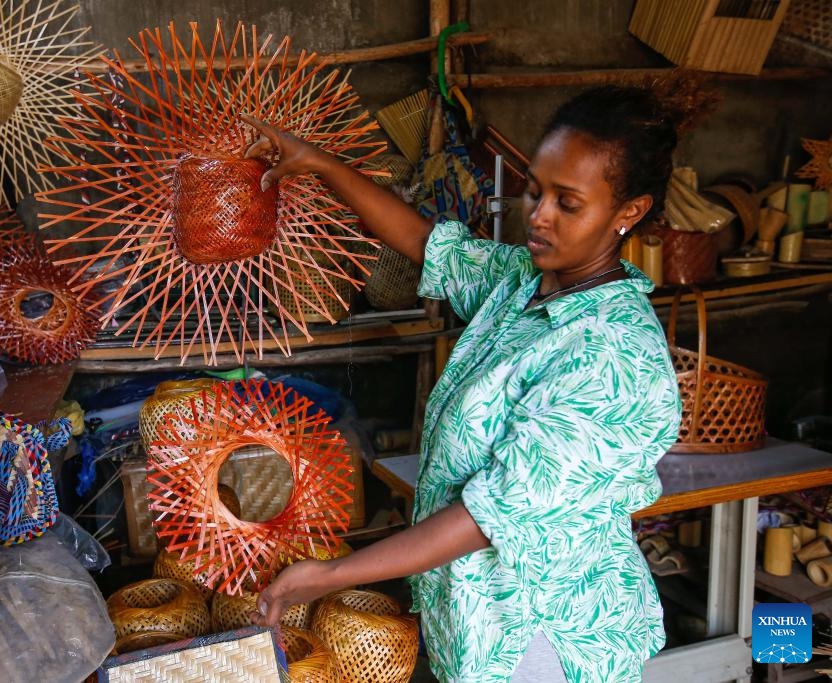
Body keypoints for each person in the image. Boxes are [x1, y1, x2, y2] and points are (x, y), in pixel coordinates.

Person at [241, 85, 683, 683]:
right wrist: (318, 163)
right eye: (535, 190)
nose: (540, 214)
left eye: (567, 203)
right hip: (474, 619)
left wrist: (328, 576)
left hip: (542, 638)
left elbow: (487, 516)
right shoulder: (525, 284)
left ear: (628, 212)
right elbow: (427, 246)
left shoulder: (614, 355)